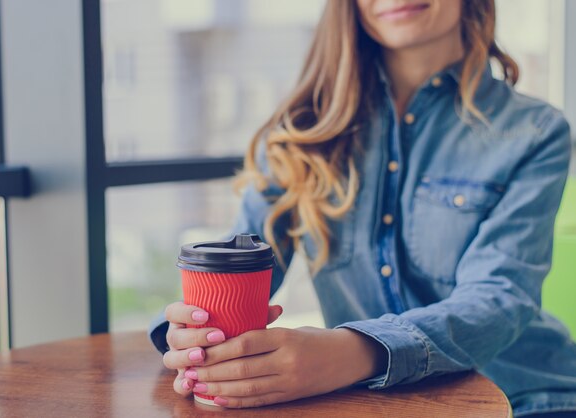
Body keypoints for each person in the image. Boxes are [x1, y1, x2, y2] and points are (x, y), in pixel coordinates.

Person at [149, 1, 576, 416]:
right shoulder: (302, 131)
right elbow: (246, 263)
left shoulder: (535, 132)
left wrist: (353, 352)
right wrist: (192, 333)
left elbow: (499, 299)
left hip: (530, 396)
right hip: (375, 405)